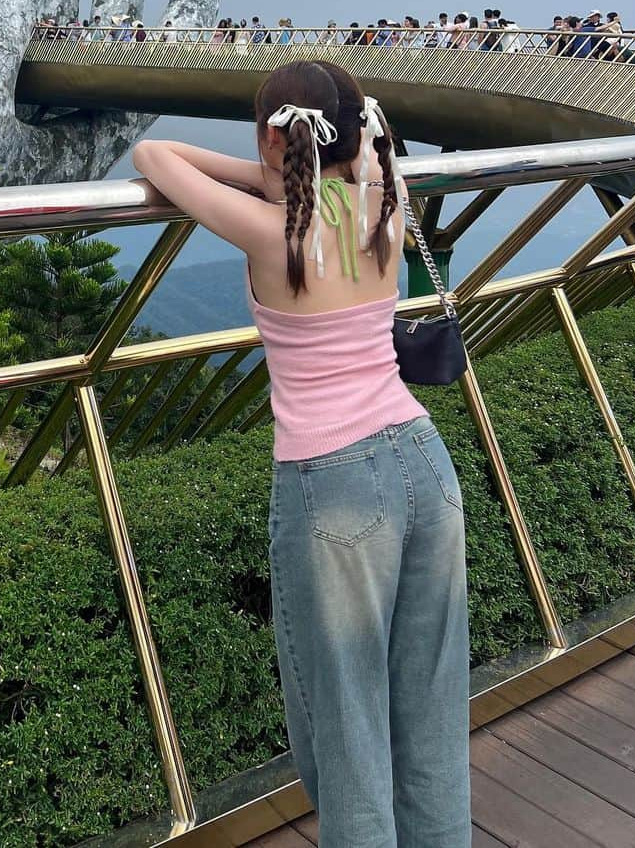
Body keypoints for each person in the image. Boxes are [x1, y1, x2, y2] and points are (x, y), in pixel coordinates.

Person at [131, 60, 470, 848]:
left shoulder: (267, 227)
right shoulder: (388, 197)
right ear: (356, 133)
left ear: (274, 140)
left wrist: (273, 166)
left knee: (349, 733)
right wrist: (302, 154)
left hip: (336, 488)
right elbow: (362, 148)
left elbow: (157, 160)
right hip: (424, 462)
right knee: (430, 713)